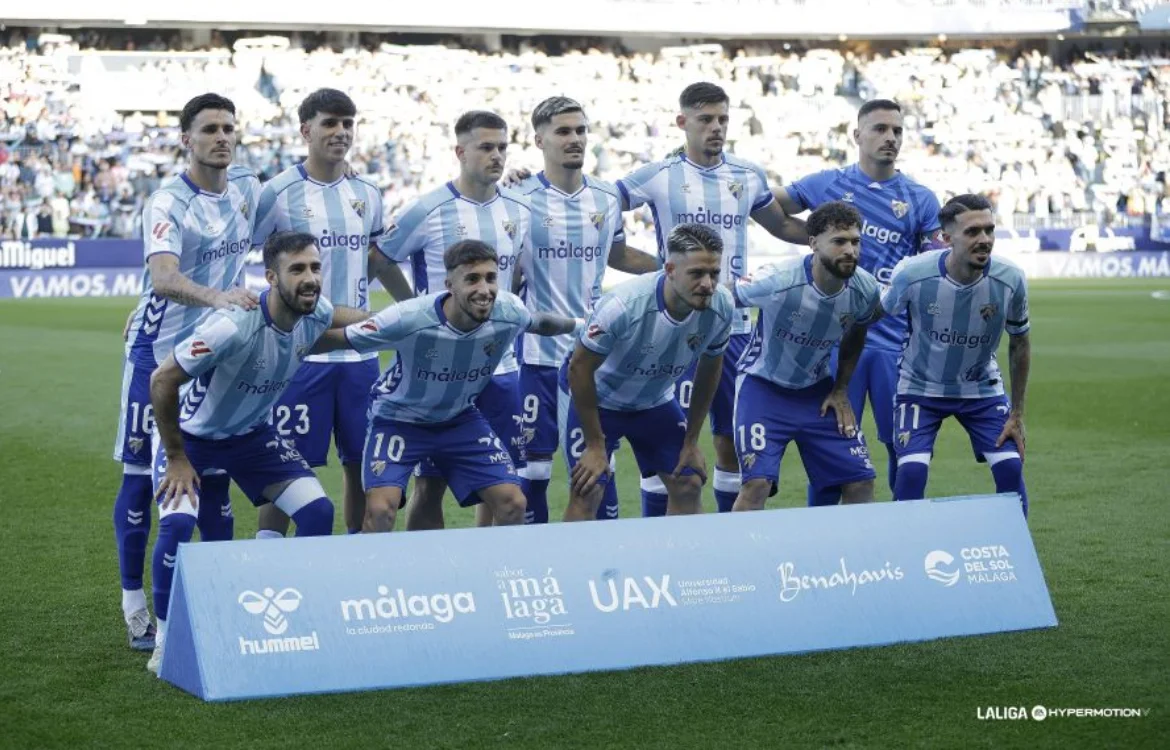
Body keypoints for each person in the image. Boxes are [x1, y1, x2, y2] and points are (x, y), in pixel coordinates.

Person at [145, 231, 369, 673]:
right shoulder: (232, 324)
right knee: (178, 527)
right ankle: (166, 640)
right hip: (191, 439)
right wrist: (176, 458)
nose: (310, 278)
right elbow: (162, 379)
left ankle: (282, 613)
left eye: (315, 267)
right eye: (297, 269)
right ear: (271, 277)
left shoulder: (314, 311)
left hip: (251, 436)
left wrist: (384, 322)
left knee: (317, 512)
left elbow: (330, 325)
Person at [111, 93, 260, 652]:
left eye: (229, 128)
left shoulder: (248, 187)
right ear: (185, 139)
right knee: (138, 477)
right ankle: (134, 607)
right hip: (157, 352)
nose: (222, 137)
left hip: (216, 353)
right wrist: (219, 297)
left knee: (213, 475)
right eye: (210, 129)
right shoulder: (168, 201)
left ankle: (215, 603)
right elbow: (164, 278)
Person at [616, 82, 807, 517]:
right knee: (665, 443)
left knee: (729, 440)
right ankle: (657, 536)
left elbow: (780, 226)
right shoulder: (659, 175)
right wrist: (656, 269)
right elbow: (601, 205)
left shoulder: (747, 175)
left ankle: (724, 539)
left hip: (733, 326)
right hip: (670, 328)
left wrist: (832, 233)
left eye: (722, 119)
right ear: (682, 122)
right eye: (705, 119)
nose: (716, 127)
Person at [313, 239, 578, 531]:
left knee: (513, 503)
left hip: (459, 417)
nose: (484, 289)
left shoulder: (509, 310)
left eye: (491, 278)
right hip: (399, 419)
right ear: (449, 284)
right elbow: (340, 339)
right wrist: (289, 343)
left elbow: (542, 323)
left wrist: (581, 326)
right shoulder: (408, 317)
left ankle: (496, 562)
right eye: (472, 279)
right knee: (380, 511)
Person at [250, 88, 413, 538]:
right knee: (285, 466)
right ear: (306, 130)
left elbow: (377, 260)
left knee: (361, 463)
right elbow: (236, 249)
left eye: (347, 124)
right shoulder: (278, 192)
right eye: (330, 123)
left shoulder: (367, 192)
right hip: (299, 353)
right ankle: (267, 556)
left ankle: (354, 559)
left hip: (360, 355)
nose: (341, 132)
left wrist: (416, 309)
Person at [772, 99, 945, 505]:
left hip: (892, 344)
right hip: (831, 342)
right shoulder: (827, 184)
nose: (890, 137)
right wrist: (812, 240)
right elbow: (769, 204)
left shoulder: (920, 198)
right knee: (831, 445)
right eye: (880, 128)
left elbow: (934, 266)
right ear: (857, 135)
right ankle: (823, 533)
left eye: (897, 130)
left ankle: (902, 526)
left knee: (902, 445)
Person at [377, 111, 532, 530]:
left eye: (502, 147)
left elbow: (515, 274)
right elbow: (380, 259)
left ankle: (489, 563)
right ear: (460, 152)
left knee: (500, 482)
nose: (496, 155)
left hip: (500, 367)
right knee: (430, 485)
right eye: (486, 147)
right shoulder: (426, 209)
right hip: (437, 370)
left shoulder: (519, 209)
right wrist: (415, 309)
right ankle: (426, 568)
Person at [512, 96, 659, 524]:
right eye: (563, 131)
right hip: (536, 356)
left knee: (595, 469)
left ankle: (602, 554)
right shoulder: (517, 196)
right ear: (539, 140)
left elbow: (618, 255)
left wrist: (671, 270)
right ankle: (536, 557)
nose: (574, 139)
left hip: (593, 355)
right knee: (532, 473)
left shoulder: (606, 197)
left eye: (580, 130)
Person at [562, 223, 733, 521]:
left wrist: (691, 442)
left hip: (654, 402)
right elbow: (578, 369)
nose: (707, 283)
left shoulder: (721, 306)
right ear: (670, 269)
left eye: (714, 273)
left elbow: (710, 371)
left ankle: (679, 553)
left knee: (689, 481)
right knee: (588, 488)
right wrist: (595, 445)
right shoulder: (623, 306)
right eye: (697, 273)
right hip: (600, 401)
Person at [880, 194, 1030, 514]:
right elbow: (876, 312)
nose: (984, 239)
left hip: (981, 388)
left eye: (989, 230)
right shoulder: (912, 273)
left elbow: (1020, 342)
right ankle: (904, 541)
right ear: (946, 238)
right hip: (919, 386)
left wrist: (1017, 413)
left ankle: (1018, 544)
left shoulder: (1010, 278)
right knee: (911, 471)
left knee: (1010, 466)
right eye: (972, 232)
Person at [730, 202, 882, 510]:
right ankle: (741, 544)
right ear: (813, 243)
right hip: (762, 388)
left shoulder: (865, 289)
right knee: (756, 485)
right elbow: (722, 297)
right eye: (839, 241)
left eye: (855, 241)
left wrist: (841, 389)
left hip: (817, 392)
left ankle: (847, 544)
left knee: (861, 482)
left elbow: (858, 330)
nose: (850, 250)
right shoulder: (777, 278)